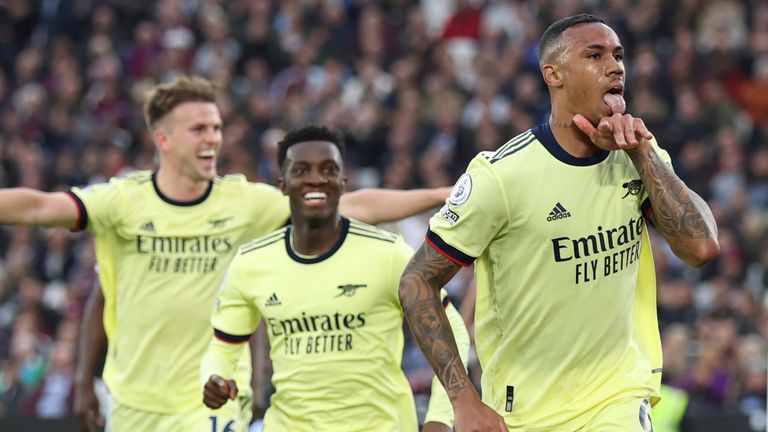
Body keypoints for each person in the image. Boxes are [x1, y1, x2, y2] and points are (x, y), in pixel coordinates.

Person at [0, 76, 451, 432]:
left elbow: (354, 204)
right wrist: (82, 382)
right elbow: (41, 207)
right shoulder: (121, 202)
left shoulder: (243, 203)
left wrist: (441, 194)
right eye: (199, 129)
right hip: (137, 403)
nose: (213, 138)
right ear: (164, 140)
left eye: (216, 127)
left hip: (213, 402)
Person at [397, 13, 720, 432]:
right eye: (595, 55)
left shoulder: (639, 153)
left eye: (619, 55)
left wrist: (643, 154)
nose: (615, 65)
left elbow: (701, 249)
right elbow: (417, 281)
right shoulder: (501, 178)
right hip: (523, 410)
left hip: (616, 398)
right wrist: (464, 400)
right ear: (554, 74)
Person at [200, 125, 470, 431]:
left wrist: (441, 416)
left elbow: (453, 330)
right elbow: (223, 346)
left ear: (342, 182)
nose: (316, 178)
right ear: (283, 185)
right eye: (301, 170)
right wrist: (214, 377)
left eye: (328, 169)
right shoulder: (251, 262)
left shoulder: (388, 254)